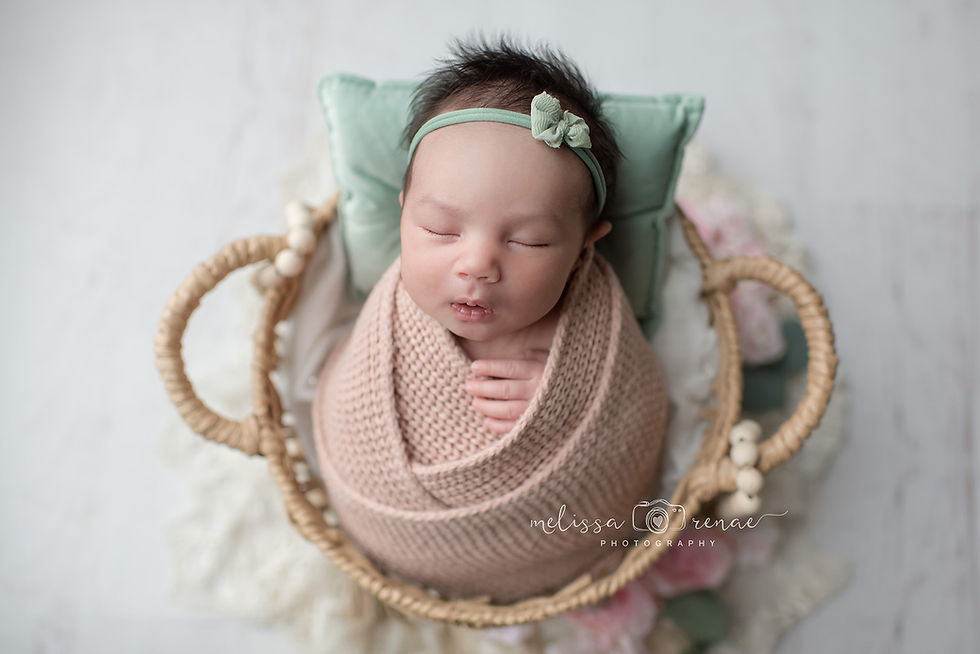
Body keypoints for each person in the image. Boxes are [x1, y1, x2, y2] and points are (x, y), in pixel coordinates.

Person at [397, 35, 623, 434]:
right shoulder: (390, 320)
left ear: (584, 246)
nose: (478, 266)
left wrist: (571, 402)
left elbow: (636, 411)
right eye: (440, 229)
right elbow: (341, 401)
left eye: (528, 241)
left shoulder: (597, 332)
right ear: (402, 212)